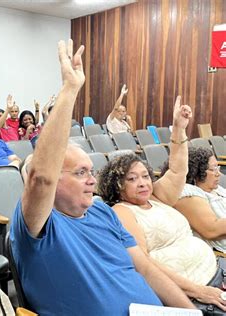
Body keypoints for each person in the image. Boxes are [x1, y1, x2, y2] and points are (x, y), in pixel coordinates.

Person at [10, 39, 194, 315]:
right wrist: (70, 89)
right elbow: (41, 178)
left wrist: (191, 312)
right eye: (81, 172)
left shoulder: (103, 213)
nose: (92, 180)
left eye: (91, 171)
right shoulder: (37, 227)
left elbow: (145, 268)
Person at [97, 97, 226, 310]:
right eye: (131, 179)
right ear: (117, 185)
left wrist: (179, 128)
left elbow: (177, 169)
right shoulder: (122, 211)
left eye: (145, 176)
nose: (142, 183)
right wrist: (198, 291)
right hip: (193, 295)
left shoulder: (156, 197)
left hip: (216, 272)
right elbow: (144, 265)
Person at [174, 146, 226, 253]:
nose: (218, 174)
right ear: (196, 172)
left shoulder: (217, 189)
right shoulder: (189, 194)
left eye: (218, 167)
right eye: (213, 169)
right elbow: (212, 230)